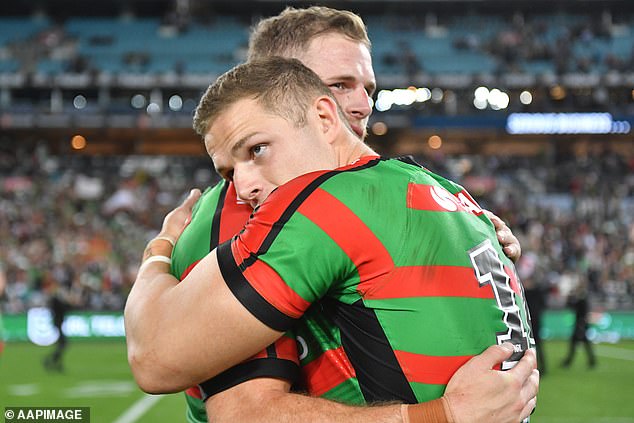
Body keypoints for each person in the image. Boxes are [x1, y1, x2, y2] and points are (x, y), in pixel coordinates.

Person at [125, 57, 538, 423]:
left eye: (257, 149)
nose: (243, 186)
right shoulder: (452, 195)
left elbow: (154, 360)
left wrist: (158, 249)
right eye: (229, 172)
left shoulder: (323, 204)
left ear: (323, 117)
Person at [561, 282, 596, 369]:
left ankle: (568, 361)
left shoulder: (582, 299)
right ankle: (591, 361)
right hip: (581, 323)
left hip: (580, 324)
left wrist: (570, 298)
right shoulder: (583, 298)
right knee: (582, 343)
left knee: (576, 343)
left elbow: (573, 307)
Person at [43, 283, 70, 372]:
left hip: (58, 323)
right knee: (63, 344)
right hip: (58, 323)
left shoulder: (54, 300)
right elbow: (65, 308)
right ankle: (51, 361)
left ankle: (54, 362)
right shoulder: (55, 300)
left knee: (62, 344)